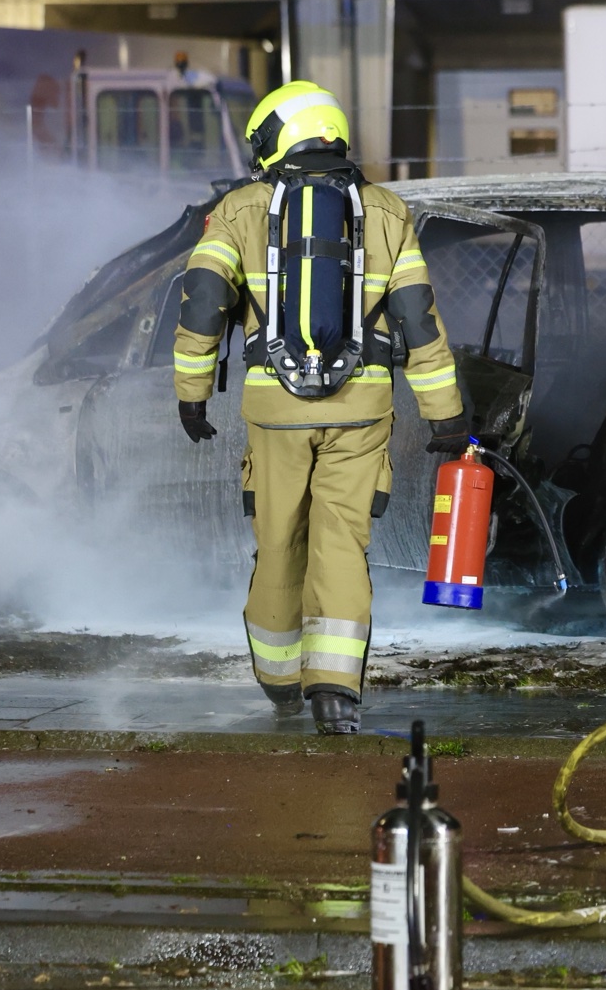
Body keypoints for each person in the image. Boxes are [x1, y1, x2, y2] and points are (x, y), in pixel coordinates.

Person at [171, 81, 471, 734]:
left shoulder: (241, 209)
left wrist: (192, 395)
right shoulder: (387, 211)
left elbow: (199, 303)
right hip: (362, 408)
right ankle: (334, 695)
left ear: (278, 137)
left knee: (279, 539)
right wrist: (445, 412)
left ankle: (280, 681)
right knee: (342, 541)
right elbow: (419, 320)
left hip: (273, 407)